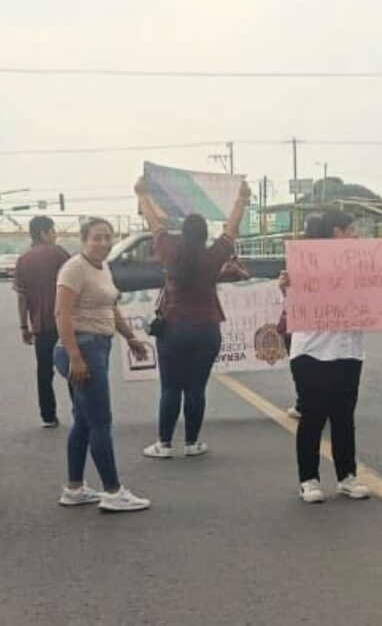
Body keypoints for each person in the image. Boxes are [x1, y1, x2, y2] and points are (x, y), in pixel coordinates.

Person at [134, 178, 251, 458]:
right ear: (204, 235)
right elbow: (231, 229)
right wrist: (242, 199)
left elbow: (154, 223)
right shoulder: (214, 256)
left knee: (170, 387)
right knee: (196, 388)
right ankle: (192, 443)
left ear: (183, 233)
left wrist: (142, 194)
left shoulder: (169, 251)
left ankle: (163, 444)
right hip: (206, 328)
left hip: (173, 328)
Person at [278, 210, 382, 504]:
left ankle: (346, 476)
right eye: (352, 229)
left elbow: (375, 298)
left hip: (348, 350)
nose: (356, 235)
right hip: (311, 350)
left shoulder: (362, 264)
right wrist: (286, 285)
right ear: (337, 232)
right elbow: (293, 299)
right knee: (312, 416)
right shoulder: (308, 261)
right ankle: (308, 479)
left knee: (343, 417)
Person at [53, 217, 151, 512]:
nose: (104, 243)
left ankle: (74, 488)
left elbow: (110, 306)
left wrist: (130, 338)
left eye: (108, 237)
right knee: (100, 422)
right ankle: (113, 492)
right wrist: (75, 358)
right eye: (97, 237)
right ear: (84, 240)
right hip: (82, 348)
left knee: (84, 421)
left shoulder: (103, 267)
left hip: (97, 346)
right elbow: (61, 314)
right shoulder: (74, 268)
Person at [15, 216, 71, 428]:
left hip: (40, 325)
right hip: (64, 321)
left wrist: (23, 326)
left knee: (44, 371)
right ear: (43, 233)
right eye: (53, 231)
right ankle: (79, 409)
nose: (55, 235)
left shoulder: (22, 260)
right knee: (73, 364)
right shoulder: (58, 253)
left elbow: (22, 297)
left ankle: (48, 415)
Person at [284, 214, 324, 420]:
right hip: (324, 315)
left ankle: (304, 402)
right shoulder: (334, 251)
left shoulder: (300, 250)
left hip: (301, 315)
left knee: (299, 359)